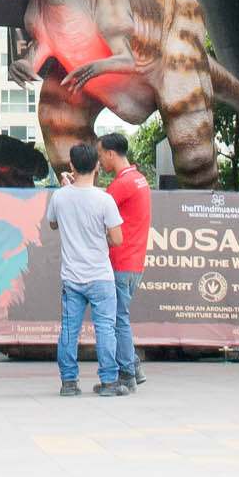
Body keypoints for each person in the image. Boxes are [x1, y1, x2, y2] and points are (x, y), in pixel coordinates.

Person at [46, 141, 126, 397]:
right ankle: (109, 382)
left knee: (69, 330)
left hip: (71, 277)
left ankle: (69, 382)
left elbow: (53, 225)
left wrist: (66, 189)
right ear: (97, 166)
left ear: (71, 166)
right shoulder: (105, 200)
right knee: (105, 329)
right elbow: (117, 239)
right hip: (101, 276)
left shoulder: (59, 196)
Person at [98, 132, 150, 390]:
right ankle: (134, 366)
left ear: (110, 153)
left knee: (118, 319)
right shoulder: (139, 179)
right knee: (121, 316)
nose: (100, 162)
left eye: (100, 156)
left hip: (120, 261)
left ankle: (127, 375)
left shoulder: (122, 184)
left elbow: (99, 207)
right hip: (135, 261)